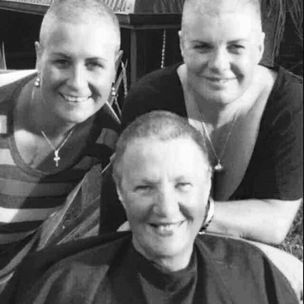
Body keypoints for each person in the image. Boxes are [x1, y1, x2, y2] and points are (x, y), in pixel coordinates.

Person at [1, 111, 299, 304]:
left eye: (183, 185)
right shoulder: (63, 286)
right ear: (120, 191)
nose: (167, 208)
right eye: (145, 187)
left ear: (207, 186)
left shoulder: (254, 278)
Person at [105, 0, 303, 245]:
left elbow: (274, 224)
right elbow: (124, 222)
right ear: (182, 45)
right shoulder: (149, 99)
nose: (219, 64)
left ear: (259, 47)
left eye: (236, 47)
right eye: (202, 47)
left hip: (249, 264)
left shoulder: (289, 106)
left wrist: (192, 212)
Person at [0, 0, 121, 289]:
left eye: (94, 64)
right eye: (62, 62)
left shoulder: (110, 141)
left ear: (115, 65)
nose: (77, 83)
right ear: (39, 55)